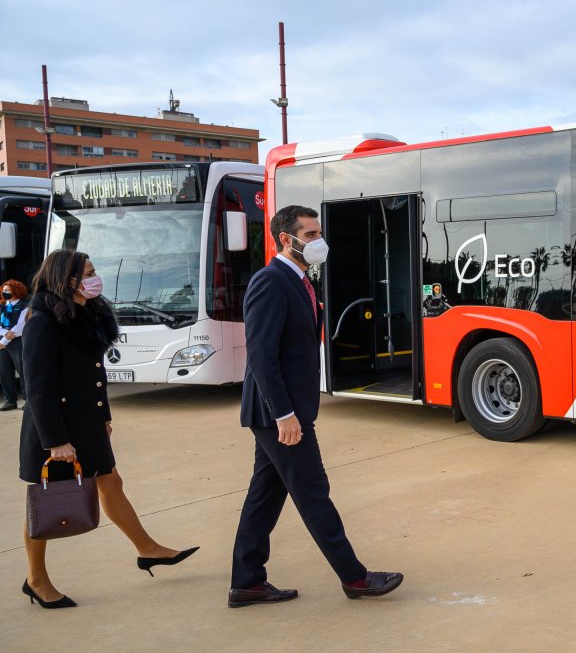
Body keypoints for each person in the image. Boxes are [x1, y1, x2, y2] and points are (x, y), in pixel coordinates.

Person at [229, 205, 401, 607]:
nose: (318, 241)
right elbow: (261, 356)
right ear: (286, 240)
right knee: (313, 493)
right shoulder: (270, 281)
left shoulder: (300, 279)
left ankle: (247, 581)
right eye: (310, 235)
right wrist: (283, 414)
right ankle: (355, 579)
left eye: (318, 233)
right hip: (280, 414)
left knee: (264, 497)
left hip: (287, 411)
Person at [18, 250, 198, 609]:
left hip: (86, 421)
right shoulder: (42, 319)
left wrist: (103, 415)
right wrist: (56, 441)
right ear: (66, 279)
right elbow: (37, 386)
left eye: (94, 271)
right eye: (87, 273)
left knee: (111, 482)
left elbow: (94, 374)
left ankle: (147, 549)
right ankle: (36, 579)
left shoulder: (84, 313)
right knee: (43, 500)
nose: (94, 278)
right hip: (54, 428)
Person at [0, 279, 29, 410]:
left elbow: (21, 326)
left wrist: (4, 340)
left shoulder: (25, 306)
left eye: (8, 290)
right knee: (4, 372)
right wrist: (3, 339)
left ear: (16, 291)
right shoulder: (2, 306)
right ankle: (10, 400)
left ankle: (28, 399)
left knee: (23, 371)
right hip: (2, 343)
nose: (5, 292)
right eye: (4, 290)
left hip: (17, 342)